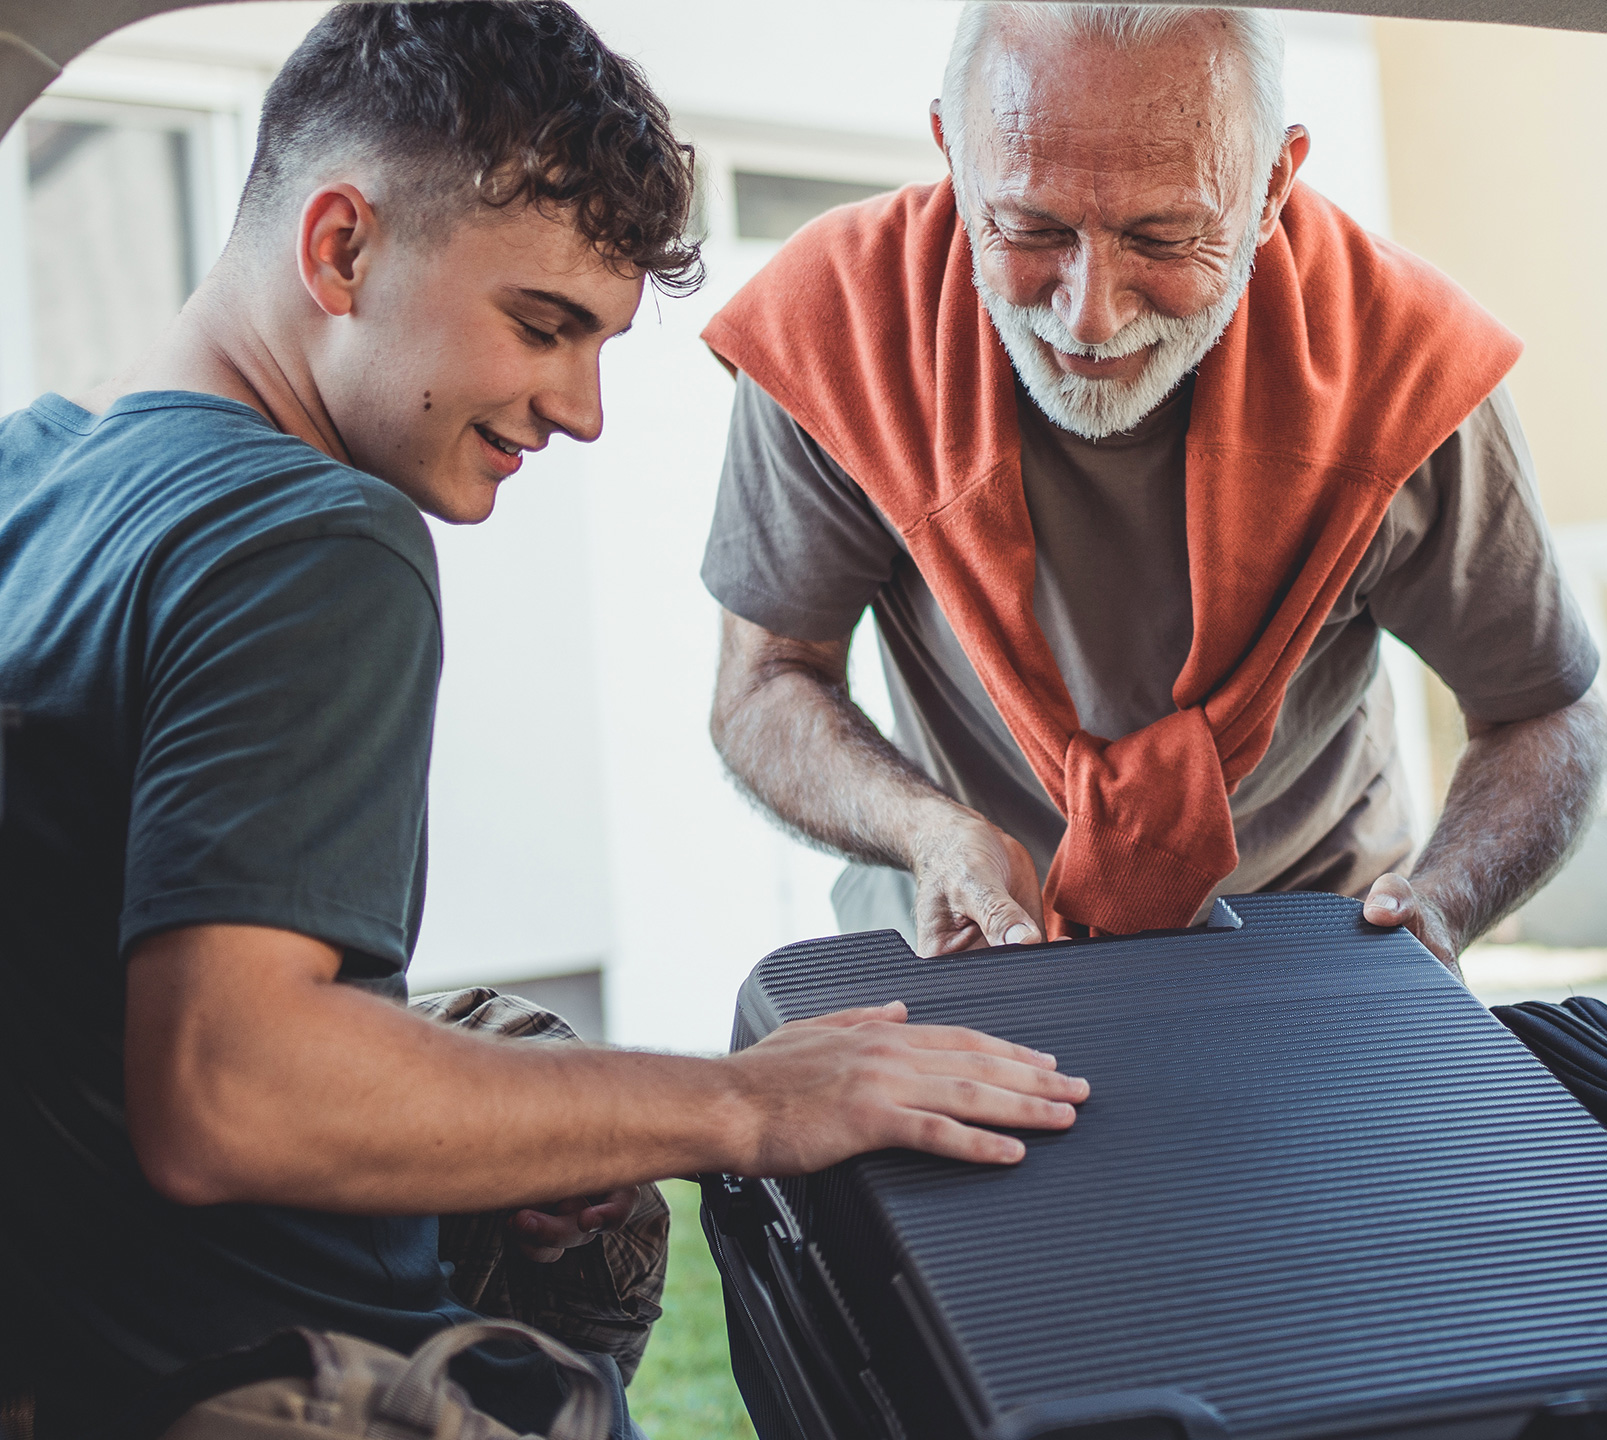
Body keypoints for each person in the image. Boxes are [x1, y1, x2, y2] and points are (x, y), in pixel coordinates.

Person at [0, 5, 1086, 1435]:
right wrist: (748, 1105)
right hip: (271, 1365)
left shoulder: (38, 471)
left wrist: (514, 1119)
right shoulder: (315, 540)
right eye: (543, 324)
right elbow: (227, 1088)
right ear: (340, 249)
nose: (579, 411)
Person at [702, 2, 1607, 968]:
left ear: (1273, 187)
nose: (1089, 315)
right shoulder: (837, 327)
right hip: (958, 942)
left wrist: (1439, 907)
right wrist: (926, 832)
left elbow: (1544, 709)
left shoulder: (1407, 366)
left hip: (1315, 940)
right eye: (1030, 225)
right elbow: (766, 680)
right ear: (953, 159)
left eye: (1163, 238)